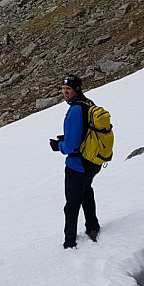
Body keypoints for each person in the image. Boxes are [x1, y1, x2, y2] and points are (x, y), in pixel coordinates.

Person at [49, 73, 101, 248]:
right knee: (86, 191)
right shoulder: (89, 104)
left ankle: (69, 242)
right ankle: (92, 226)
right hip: (93, 161)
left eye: (68, 89)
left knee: (71, 205)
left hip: (77, 164)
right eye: (63, 89)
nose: (65, 92)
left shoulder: (75, 110)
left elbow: (71, 145)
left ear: (76, 89)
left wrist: (59, 146)